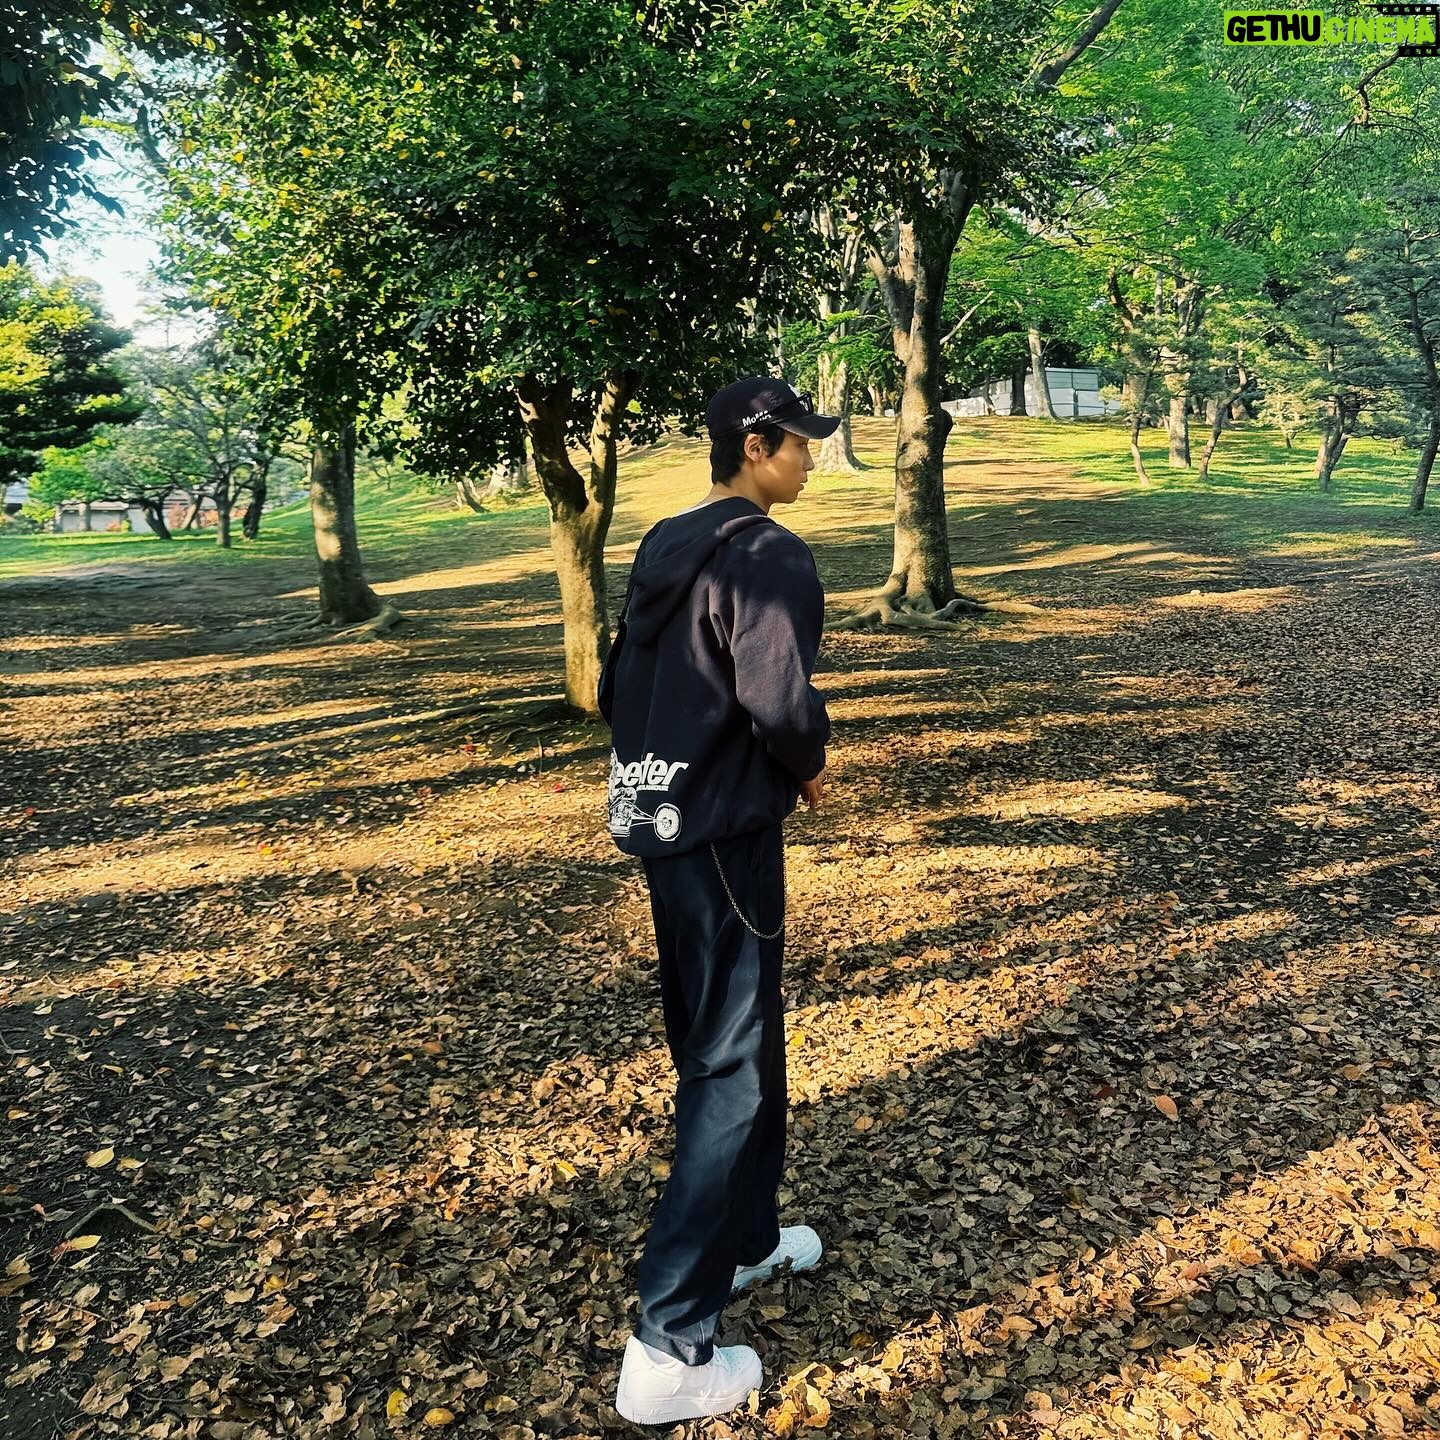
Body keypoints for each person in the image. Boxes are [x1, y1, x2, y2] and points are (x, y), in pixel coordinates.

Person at [599, 376, 838, 1426]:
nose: (810, 460)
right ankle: (669, 1345)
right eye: (799, 444)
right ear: (754, 445)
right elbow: (778, 698)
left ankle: (746, 1240)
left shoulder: (668, 542)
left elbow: (616, 686)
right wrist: (810, 763)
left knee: (731, 1041)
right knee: (729, 1069)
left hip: (662, 827)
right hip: (728, 837)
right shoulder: (766, 553)